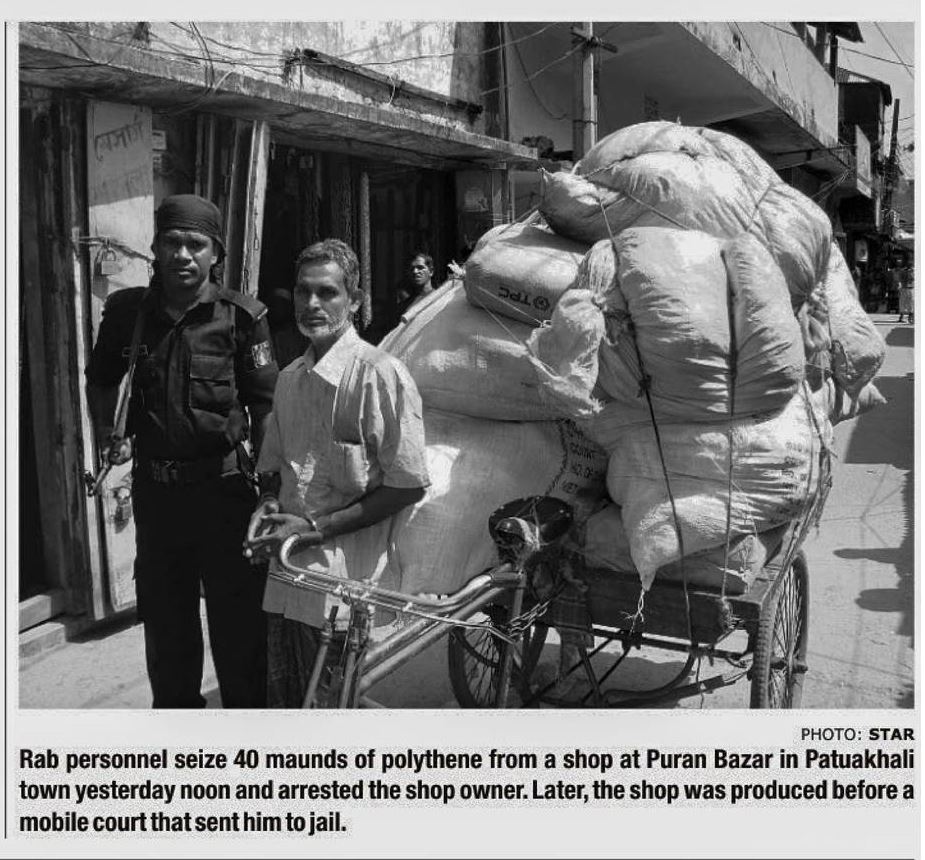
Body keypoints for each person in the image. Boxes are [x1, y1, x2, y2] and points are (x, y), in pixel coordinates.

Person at [86, 194, 278, 708]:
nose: (183, 255)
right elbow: (100, 378)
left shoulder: (241, 317)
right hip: (158, 499)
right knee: (167, 637)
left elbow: (266, 408)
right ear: (155, 248)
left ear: (216, 253)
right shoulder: (127, 314)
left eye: (196, 244)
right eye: (172, 242)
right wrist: (110, 431)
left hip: (225, 496)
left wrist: (271, 489)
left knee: (240, 636)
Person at [246, 239, 429, 708]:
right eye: (303, 291)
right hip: (287, 579)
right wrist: (267, 504)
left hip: (344, 591)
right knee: (288, 706)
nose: (312, 304)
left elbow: (407, 486)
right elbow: (276, 468)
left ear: (355, 300)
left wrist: (314, 528)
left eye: (327, 292)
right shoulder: (289, 379)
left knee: (332, 711)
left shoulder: (380, 375)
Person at [396, 252, 436, 319]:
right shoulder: (404, 306)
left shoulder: (440, 297)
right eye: (412, 269)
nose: (415, 271)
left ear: (431, 271)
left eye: (420, 267)